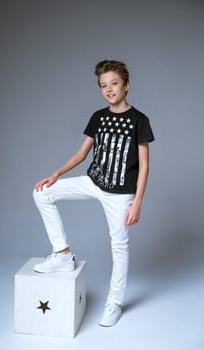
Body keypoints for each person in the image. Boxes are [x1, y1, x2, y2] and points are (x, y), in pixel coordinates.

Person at [33, 59, 155, 327]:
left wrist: (137, 203)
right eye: (103, 85)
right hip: (93, 181)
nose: (109, 89)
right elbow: (81, 153)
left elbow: (145, 166)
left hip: (121, 194)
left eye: (114, 83)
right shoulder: (98, 117)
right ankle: (63, 254)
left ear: (126, 86)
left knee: (119, 246)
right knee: (42, 193)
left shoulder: (139, 121)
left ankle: (114, 303)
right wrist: (56, 175)